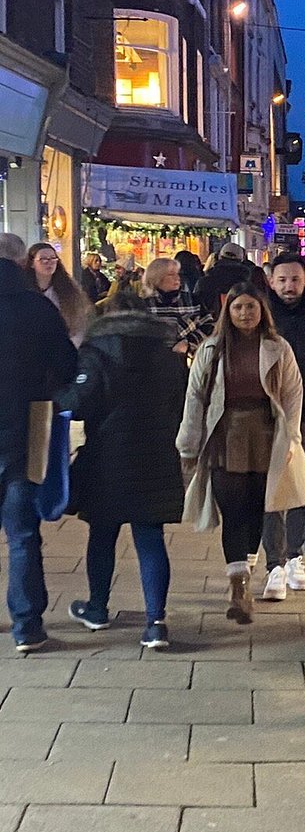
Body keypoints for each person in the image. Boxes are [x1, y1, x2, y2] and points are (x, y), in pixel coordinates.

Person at [58, 288, 187, 649]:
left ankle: (97, 608)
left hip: (107, 457)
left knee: (102, 532)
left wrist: (57, 394)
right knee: (150, 537)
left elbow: (79, 404)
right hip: (156, 456)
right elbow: (180, 404)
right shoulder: (168, 357)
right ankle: (155, 622)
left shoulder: (96, 353)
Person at [176, 283, 305, 624]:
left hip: (267, 433)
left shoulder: (278, 348)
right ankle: (238, 587)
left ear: (261, 310)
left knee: (256, 512)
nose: (245, 314)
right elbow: (195, 397)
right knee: (233, 511)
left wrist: (291, 437)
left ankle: (247, 566)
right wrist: (189, 444)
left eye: (251, 307)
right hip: (225, 433)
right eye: (238, 308)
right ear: (228, 312)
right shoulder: (211, 349)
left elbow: (293, 392)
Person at [0, 233, 77, 652]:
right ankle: (27, 626)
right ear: (22, 262)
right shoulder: (36, 308)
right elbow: (67, 364)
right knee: (22, 534)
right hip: (24, 429)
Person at [261, 254, 305, 601]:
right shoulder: (260, 315)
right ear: (271, 281)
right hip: (266, 417)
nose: (289, 286)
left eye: (295, 279)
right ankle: (273, 564)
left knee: (304, 488)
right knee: (270, 489)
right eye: (282, 280)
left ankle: (295, 557)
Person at [26, 241, 92, 347]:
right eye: (43, 259)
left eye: (53, 258)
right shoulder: (24, 289)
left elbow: (78, 322)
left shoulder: (68, 290)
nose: (49, 262)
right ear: (32, 263)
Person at [141, 257, 209, 357]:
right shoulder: (142, 305)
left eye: (177, 274)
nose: (177, 278)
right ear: (157, 278)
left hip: (186, 362)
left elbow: (210, 325)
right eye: (171, 275)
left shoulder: (193, 301)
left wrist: (189, 343)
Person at [196, 242, 253, 321]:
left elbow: (196, 308)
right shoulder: (248, 285)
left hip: (210, 325)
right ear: (242, 260)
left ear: (219, 257)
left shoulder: (204, 282)